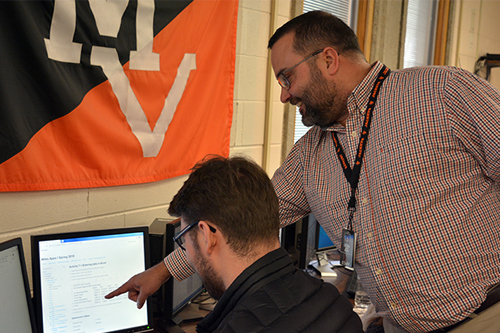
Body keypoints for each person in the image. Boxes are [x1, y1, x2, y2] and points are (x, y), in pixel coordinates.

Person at [267, 10, 500, 333]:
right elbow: (248, 219)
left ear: (329, 60)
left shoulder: (442, 91)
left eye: (286, 78)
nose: (284, 95)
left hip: (487, 317)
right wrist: (171, 268)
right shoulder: (308, 156)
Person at [106, 155, 363, 332]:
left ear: (206, 235)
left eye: (184, 241)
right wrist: (161, 271)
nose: (189, 255)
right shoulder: (329, 299)